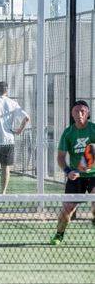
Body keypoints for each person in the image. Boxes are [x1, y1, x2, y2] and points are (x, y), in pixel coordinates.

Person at [50, 100, 95, 245]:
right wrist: (68, 171)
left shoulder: (94, 130)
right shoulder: (68, 133)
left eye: (83, 111)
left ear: (87, 113)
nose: (80, 114)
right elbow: (61, 157)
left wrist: (91, 163)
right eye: (77, 111)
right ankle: (59, 234)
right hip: (76, 178)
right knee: (68, 208)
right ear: (72, 114)